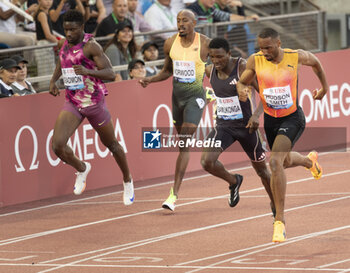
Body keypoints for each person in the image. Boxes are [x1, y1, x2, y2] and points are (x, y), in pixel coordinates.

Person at [236, 28, 328, 243]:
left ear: (278, 43)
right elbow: (244, 80)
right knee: (284, 162)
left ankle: (279, 221)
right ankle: (308, 161)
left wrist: (324, 88)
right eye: (261, 47)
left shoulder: (295, 56)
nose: (264, 51)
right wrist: (242, 88)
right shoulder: (255, 60)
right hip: (271, 120)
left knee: (275, 163)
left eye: (268, 47)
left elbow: (316, 63)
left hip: (293, 118)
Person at [49, 10, 134, 205]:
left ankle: (127, 179)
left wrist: (88, 71)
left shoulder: (91, 46)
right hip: (72, 101)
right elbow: (62, 62)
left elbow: (111, 73)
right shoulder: (63, 43)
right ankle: (82, 168)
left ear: (82, 28)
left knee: (112, 145)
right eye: (66, 29)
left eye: (72, 29)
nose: (69, 33)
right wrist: (54, 81)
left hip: (94, 103)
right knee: (57, 145)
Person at [140, 9, 220, 211]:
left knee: (185, 136)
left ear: (194, 23)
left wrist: (226, 84)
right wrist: (151, 79)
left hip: (195, 98)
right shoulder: (170, 43)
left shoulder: (205, 43)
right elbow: (167, 71)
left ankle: (173, 194)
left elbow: (220, 65)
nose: (180, 24)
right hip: (177, 99)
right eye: (178, 20)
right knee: (183, 146)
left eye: (185, 20)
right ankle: (175, 195)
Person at [200, 37, 275, 212]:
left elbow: (264, 93)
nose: (216, 61)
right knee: (207, 162)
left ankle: (275, 204)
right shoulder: (209, 71)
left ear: (229, 53)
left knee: (262, 172)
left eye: (220, 57)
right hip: (224, 126)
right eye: (212, 57)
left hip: (247, 127)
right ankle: (234, 181)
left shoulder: (242, 68)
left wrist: (256, 116)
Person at [34, 0, 58, 88]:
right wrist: (60, 43)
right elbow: (48, 35)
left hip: (47, 46)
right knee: (46, 76)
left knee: (51, 72)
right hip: (43, 46)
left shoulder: (44, 13)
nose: (48, 2)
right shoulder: (42, 14)